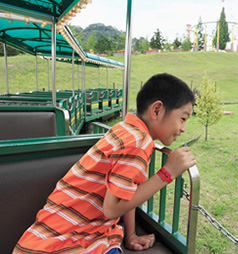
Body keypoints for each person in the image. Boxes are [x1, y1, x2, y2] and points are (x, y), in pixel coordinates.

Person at [13, 73, 197, 254]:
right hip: (70, 231)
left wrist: (130, 235)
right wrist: (168, 173)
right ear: (156, 110)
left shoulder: (126, 129)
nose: (183, 129)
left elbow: (126, 190)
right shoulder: (138, 142)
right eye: (182, 118)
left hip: (62, 219)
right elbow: (112, 208)